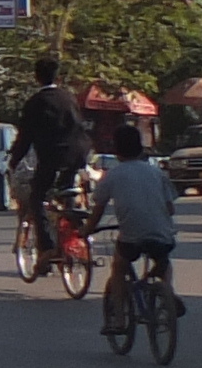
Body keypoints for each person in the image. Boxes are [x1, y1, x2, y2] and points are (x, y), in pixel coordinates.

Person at [93, 118, 179, 313]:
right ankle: (167, 291)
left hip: (131, 239)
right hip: (162, 237)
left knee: (119, 266)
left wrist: (87, 229)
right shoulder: (156, 173)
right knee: (163, 262)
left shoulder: (113, 175)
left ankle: (118, 318)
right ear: (140, 148)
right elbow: (170, 208)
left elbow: (98, 209)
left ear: (116, 150)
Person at [12, 57, 94, 238]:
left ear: (36, 77)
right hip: (79, 154)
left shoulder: (35, 102)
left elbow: (24, 137)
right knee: (67, 190)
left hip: (52, 157)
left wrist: (14, 161)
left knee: (37, 199)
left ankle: (47, 247)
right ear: (58, 78)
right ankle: (75, 233)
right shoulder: (69, 99)